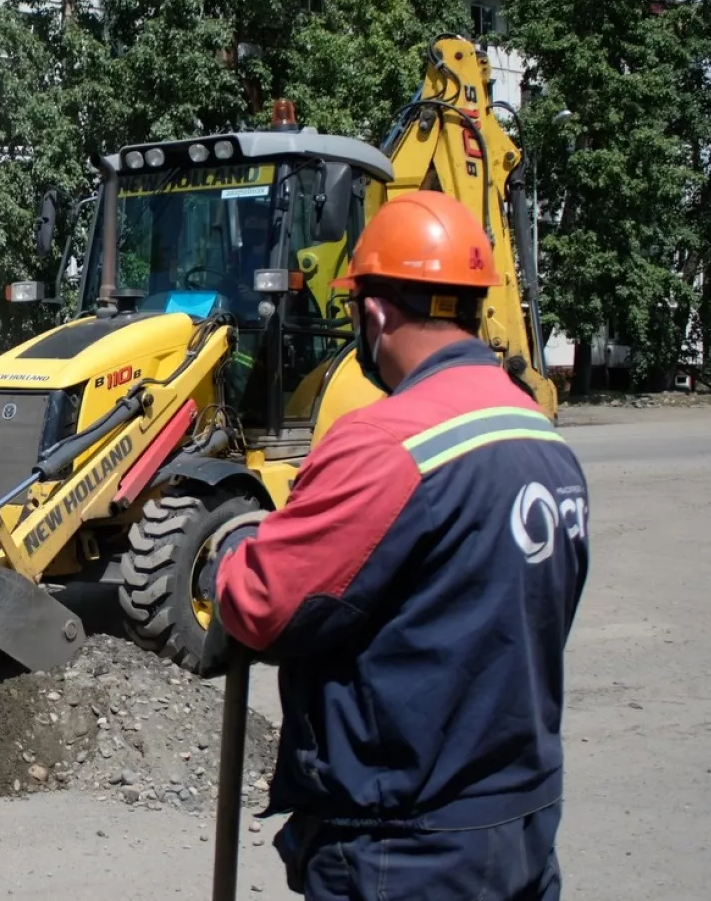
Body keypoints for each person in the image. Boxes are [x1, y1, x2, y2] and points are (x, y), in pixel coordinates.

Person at [203, 189, 591, 900]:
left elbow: (261, 604)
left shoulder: (389, 446)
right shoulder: (542, 441)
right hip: (522, 820)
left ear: (375, 312)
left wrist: (230, 556)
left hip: (408, 843)